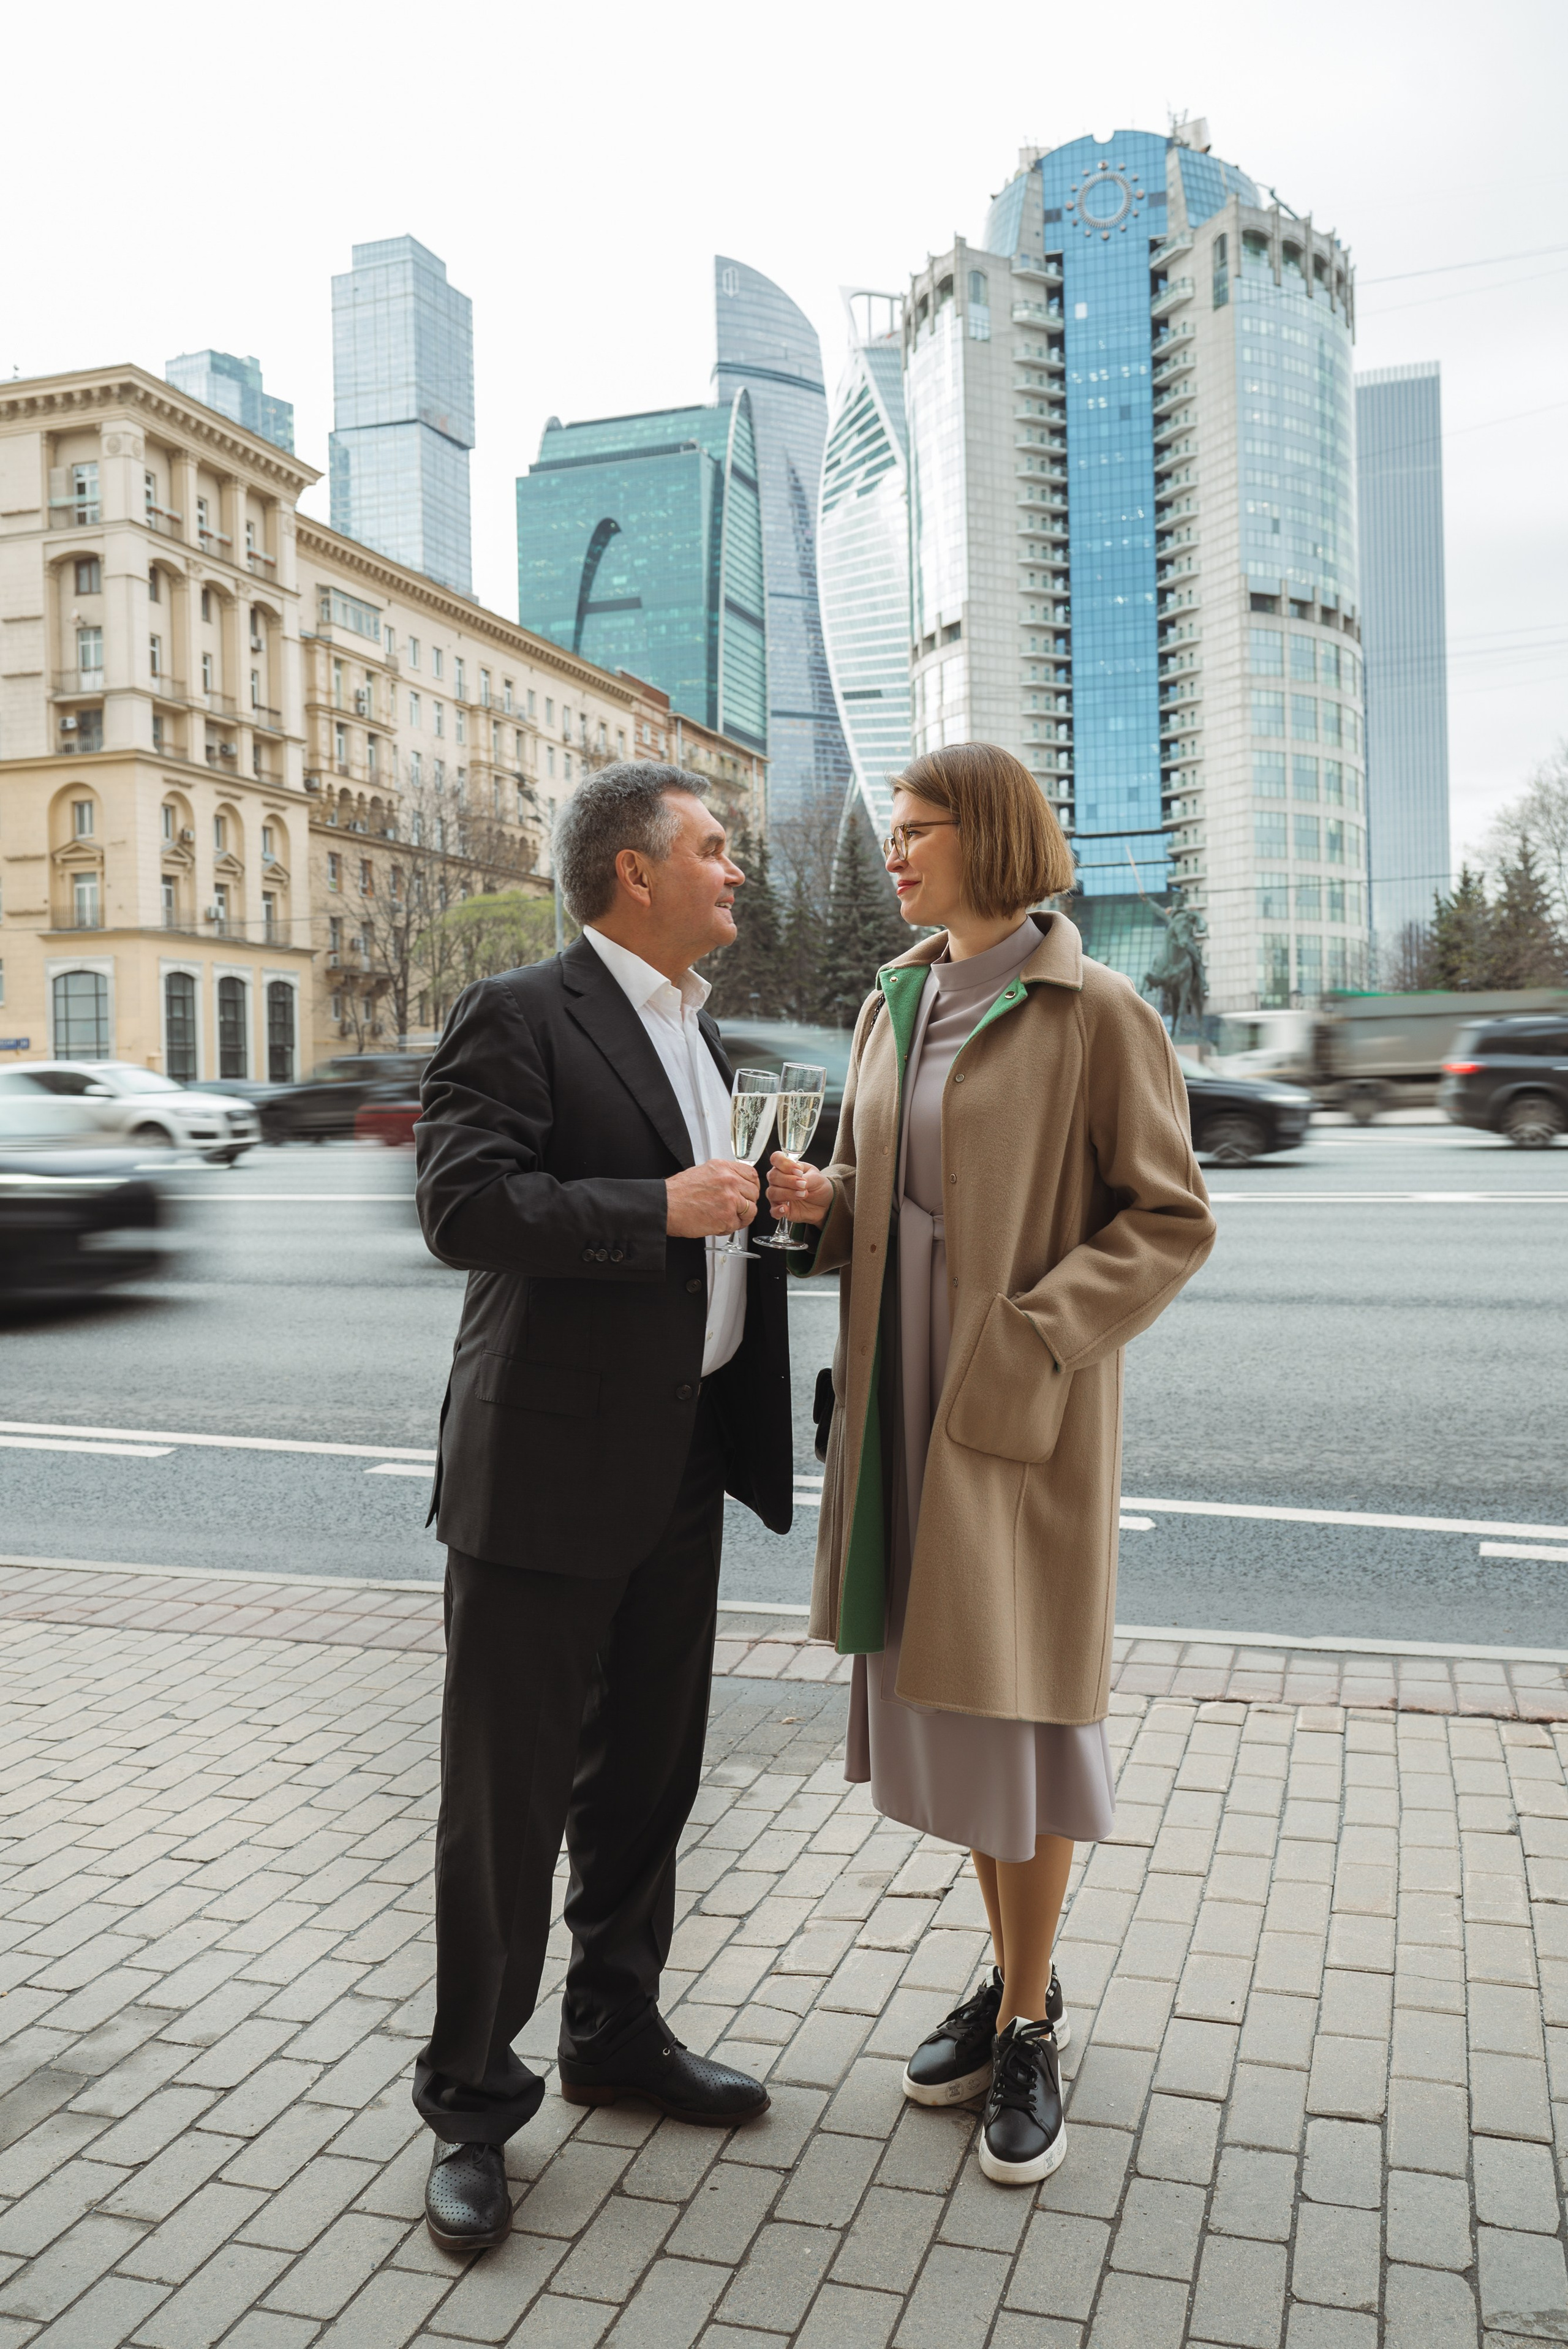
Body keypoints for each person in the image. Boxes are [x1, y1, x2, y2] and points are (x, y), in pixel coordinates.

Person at [767, 742, 1215, 2187]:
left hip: (1011, 1421)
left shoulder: (1095, 1013)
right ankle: (1017, 1976)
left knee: (1017, 1720)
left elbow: (1166, 1220)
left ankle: (1026, 2021)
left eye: (916, 830)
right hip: (899, 1408)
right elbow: (892, 1195)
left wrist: (1031, 1337)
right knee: (956, 1715)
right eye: (891, 832)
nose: (893, 853)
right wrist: (817, 1200)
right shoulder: (891, 1000)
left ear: (990, 837)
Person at [412, 764, 793, 2253]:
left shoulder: (709, 1036)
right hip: (541, 1476)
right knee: (502, 1810)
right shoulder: (521, 1010)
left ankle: (613, 2033)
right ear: (633, 873)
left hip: (679, 1462)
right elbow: (463, 1205)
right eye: (713, 849)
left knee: (644, 1782)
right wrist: (662, 1208)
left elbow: (717, 1218)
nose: (735, 872)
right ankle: (468, 2101)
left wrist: (775, 1211)